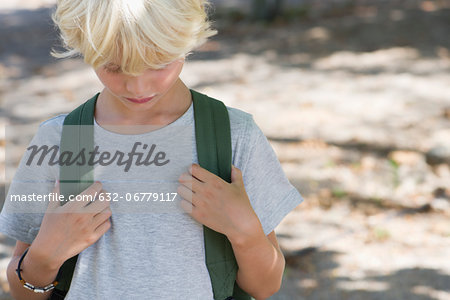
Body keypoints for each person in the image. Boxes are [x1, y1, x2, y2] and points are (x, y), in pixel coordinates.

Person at [0, 0, 303, 299]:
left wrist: (245, 231)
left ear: (186, 38)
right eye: (113, 66)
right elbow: (23, 292)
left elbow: (265, 287)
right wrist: (45, 255)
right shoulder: (59, 140)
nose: (138, 87)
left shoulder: (235, 136)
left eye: (158, 63)